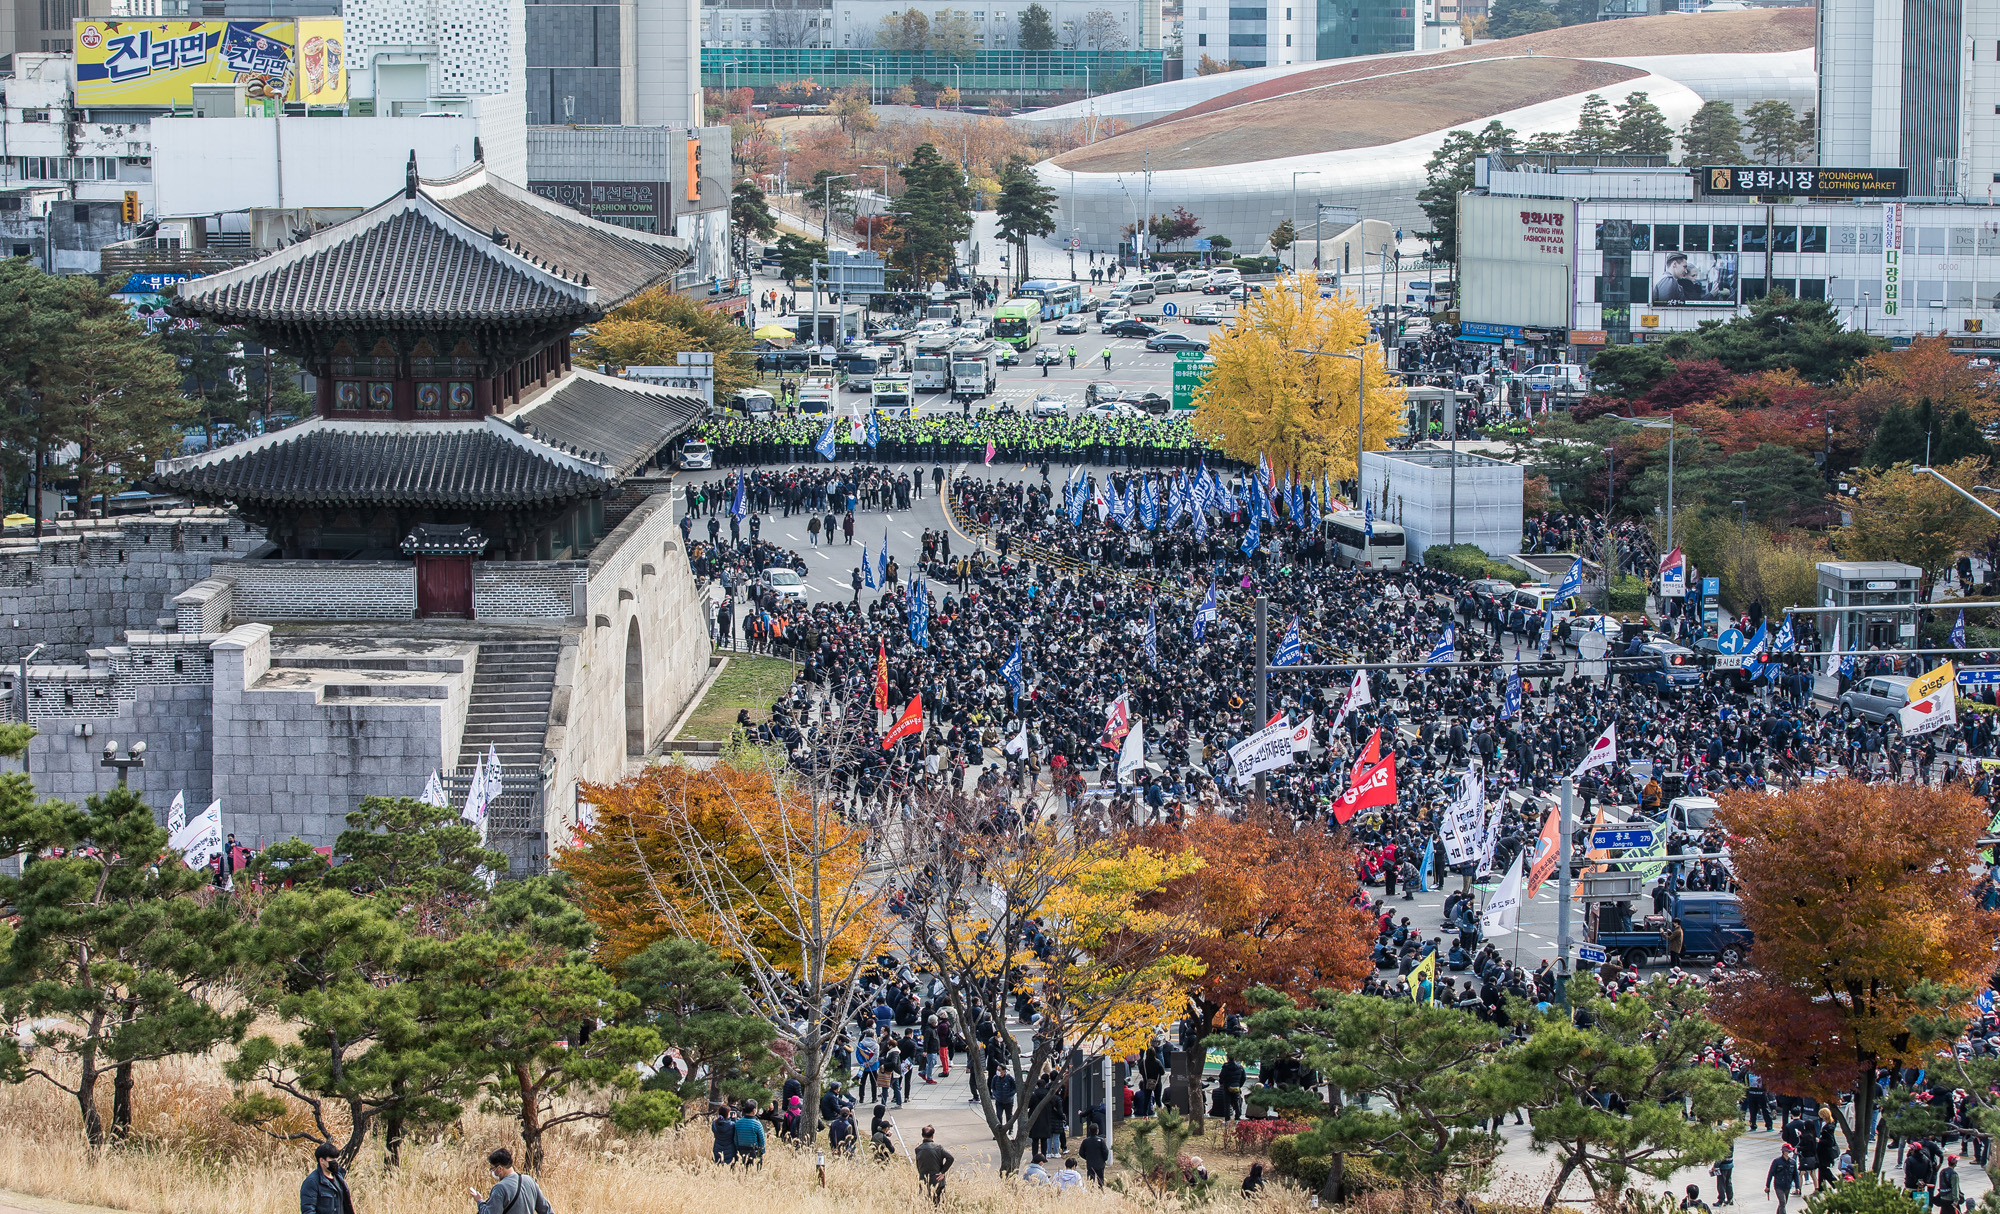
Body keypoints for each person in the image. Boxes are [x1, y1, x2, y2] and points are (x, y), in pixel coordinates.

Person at [470, 1148, 553, 1214]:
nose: (492, 1172)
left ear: (499, 1168)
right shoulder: (529, 1180)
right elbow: (546, 1210)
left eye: (492, 1169)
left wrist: (479, 1202)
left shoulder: (500, 1188)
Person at [301, 1142, 355, 1214]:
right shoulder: (312, 1182)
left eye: (336, 1159)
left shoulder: (339, 1178)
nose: (335, 1162)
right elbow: (308, 1210)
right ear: (322, 1160)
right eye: (332, 1159)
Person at [914, 1124, 954, 1204]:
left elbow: (918, 1165)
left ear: (922, 1135)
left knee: (926, 1203)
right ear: (933, 1135)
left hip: (924, 1181)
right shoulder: (938, 1148)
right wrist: (942, 1172)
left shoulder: (918, 1149)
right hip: (937, 1180)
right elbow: (950, 1158)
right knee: (938, 1204)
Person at [1766, 1143, 1799, 1214]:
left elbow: (1796, 1175)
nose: (1790, 1153)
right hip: (1779, 1186)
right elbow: (1770, 1173)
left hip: (1787, 1186)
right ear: (1784, 1152)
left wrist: (1797, 1187)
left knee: (1783, 1204)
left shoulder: (1793, 1162)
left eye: (1791, 1151)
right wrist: (1767, 1186)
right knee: (1782, 1202)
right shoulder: (1777, 1162)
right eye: (1789, 1151)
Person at [733, 1100, 768, 1166]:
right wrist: (762, 1151)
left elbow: (735, 1138)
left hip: (741, 1150)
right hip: (754, 1151)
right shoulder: (757, 1124)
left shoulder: (738, 1123)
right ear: (754, 1110)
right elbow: (762, 1139)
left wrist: (737, 1149)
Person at [1080, 1121, 1110, 1185]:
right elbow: (1105, 1151)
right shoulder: (1101, 1140)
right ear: (1097, 1131)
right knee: (1101, 1180)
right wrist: (1104, 1159)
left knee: (1090, 1181)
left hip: (1090, 1163)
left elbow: (1081, 1152)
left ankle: (1091, 1192)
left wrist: (1087, 1157)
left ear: (1089, 1131)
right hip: (1100, 1163)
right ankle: (1101, 1191)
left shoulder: (1086, 1141)